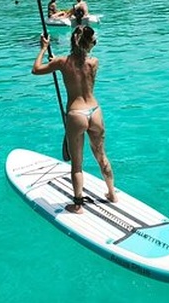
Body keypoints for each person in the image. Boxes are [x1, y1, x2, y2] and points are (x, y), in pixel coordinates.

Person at [32, 25, 116, 213]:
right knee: (102, 157)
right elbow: (80, 65)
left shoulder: (62, 62)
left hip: (76, 114)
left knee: (77, 165)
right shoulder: (94, 62)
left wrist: (44, 48)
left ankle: (78, 205)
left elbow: (36, 70)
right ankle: (112, 193)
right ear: (88, 43)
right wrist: (58, 63)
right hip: (94, 112)